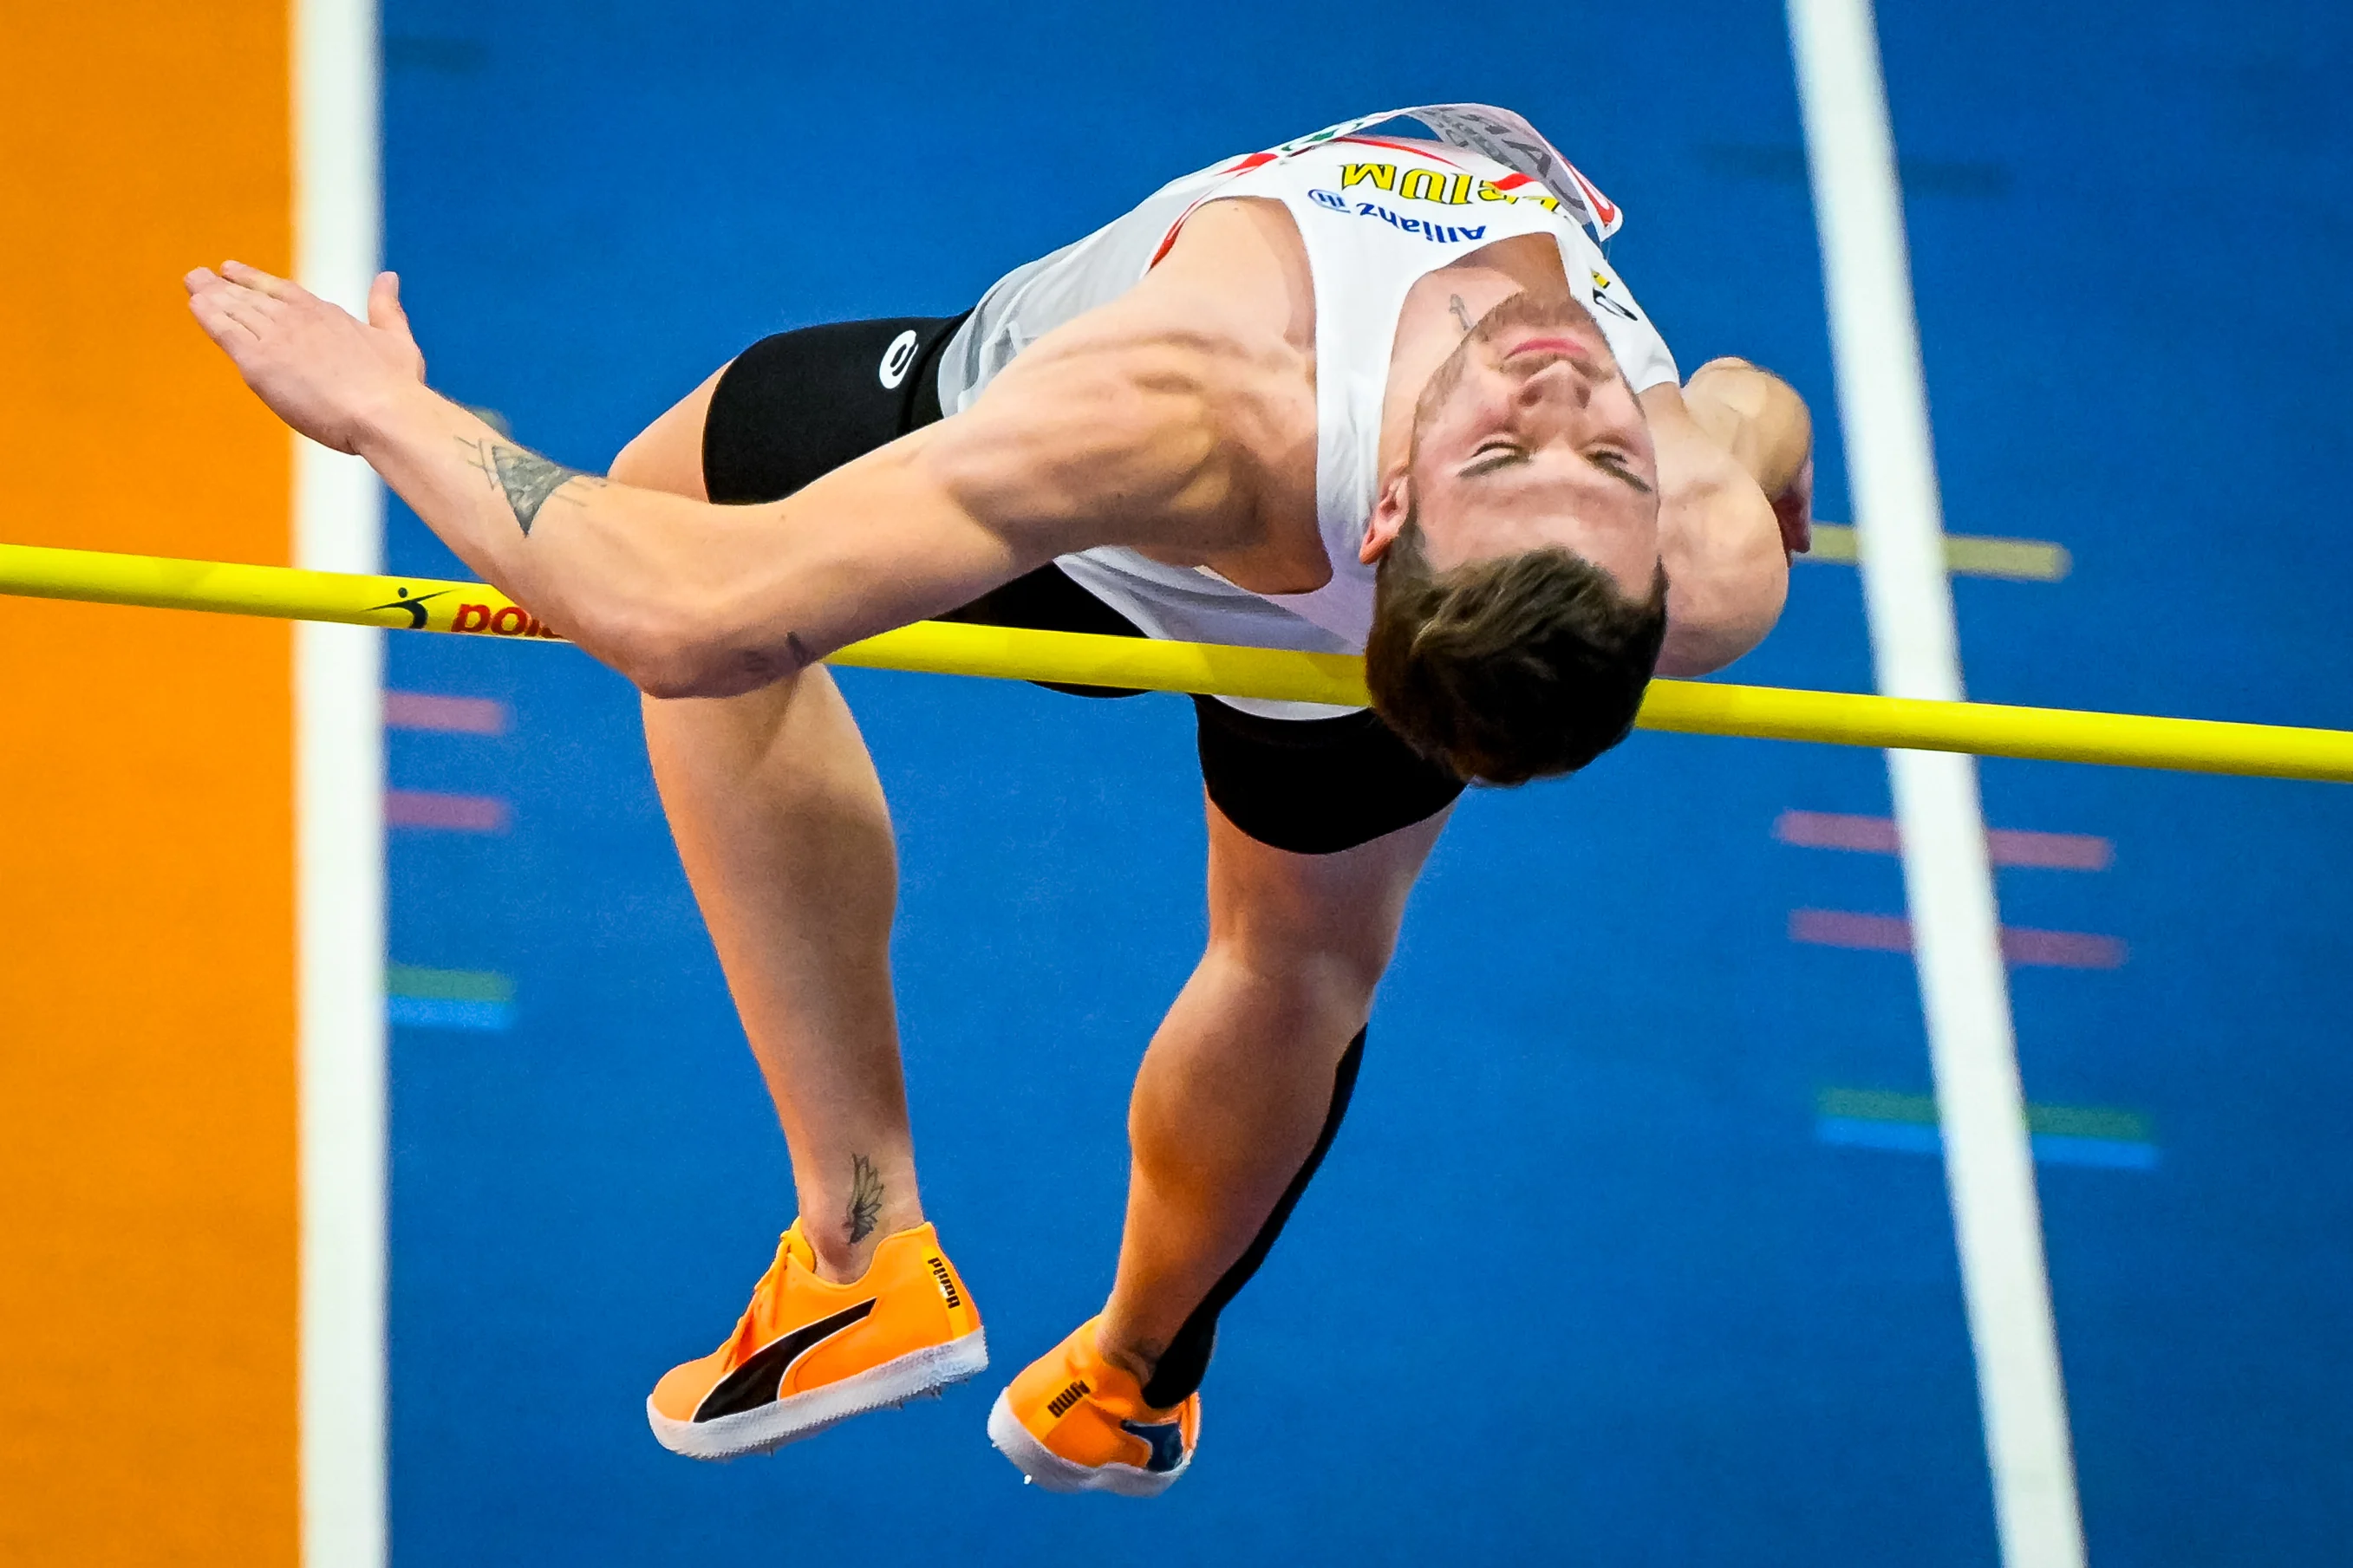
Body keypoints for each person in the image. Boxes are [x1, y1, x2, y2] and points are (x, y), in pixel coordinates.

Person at [185, 103, 1812, 1496]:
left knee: (668, 507)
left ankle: (866, 1251)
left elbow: (685, 616)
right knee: (1301, 956)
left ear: (1394, 516)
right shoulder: (1692, 550)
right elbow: (1741, 409)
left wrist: (385, 408)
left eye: (1543, 462)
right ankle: (1122, 1379)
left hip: (1117, 526)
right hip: (1252, 597)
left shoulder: (1200, 402)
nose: (1564, 402)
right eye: (1597, 455)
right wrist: (1757, 434)